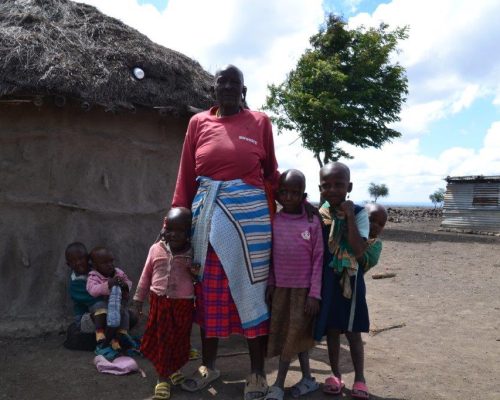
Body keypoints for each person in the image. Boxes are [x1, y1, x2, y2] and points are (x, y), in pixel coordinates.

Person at [172, 64, 280, 400]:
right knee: (212, 294)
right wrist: (175, 221)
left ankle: (258, 373)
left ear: (243, 89)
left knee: (252, 292)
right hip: (207, 220)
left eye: (236, 82)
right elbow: (186, 176)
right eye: (223, 81)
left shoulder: (260, 122)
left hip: (252, 223)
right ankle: (209, 366)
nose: (229, 86)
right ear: (214, 88)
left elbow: (271, 173)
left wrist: (287, 214)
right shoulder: (198, 123)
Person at [313, 162, 371, 400]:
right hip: (327, 281)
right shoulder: (320, 215)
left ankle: (360, 378)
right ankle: (335, 374)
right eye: (327, 185)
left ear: (349, 186)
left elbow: (359, 250)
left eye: (339, 184)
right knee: (333, 330)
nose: (333, 189)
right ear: (320, 188)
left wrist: (348, 218)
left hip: (351, 282)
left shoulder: (359, 213)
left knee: (353, 331)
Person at [265, 170, 323, 400]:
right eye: (285, 192)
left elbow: (318, 259)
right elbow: (271, 255)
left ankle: (278, 384)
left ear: (303, 196)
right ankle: (308, 378)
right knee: (294, 336)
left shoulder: (312, 222)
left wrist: (315, 294)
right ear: (278, 194)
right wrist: (270, 282)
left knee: (292, 338)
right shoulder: (275, 220)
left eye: (295, 193)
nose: (289, 197)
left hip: (304, 292)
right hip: (281, 290)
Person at [133, 207, 196, 400]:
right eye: (170, 229)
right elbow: (146, 276)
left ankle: (173, 369)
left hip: (183, 304)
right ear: (164, 228)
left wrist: (195, 272)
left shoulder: (193, 252)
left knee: (179, 340)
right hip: (159, 302)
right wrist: (138, 299)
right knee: (163, 340)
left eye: (180, 230)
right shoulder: (156, 249)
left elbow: (199, 279)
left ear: (189, 232)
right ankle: (162, 379)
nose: (173, 234)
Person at [86, 246, 133, 358]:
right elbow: (92, 290)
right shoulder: (93, 276)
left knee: (125, 314)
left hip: (117, 308)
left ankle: (119, 338)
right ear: (95, 266)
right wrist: (108, 284)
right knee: (100, 307)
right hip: (101, 308)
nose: (110, 264)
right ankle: (100, 335)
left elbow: (128, 282)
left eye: (111, 261)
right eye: (105, 263)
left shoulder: (118, 272)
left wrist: (125, 286)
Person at [63, 242, 101, 351]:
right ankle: (104, 341)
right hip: (85, 319)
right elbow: (94, 298)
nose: (78, 263)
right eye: (73, 261)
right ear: (68, 264)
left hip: (100, 309)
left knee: (128, 315)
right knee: (101, 308)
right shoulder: (76, 284)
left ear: (88, 258)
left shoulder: (93, 270)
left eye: (81, 258)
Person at [358, 203, 387, 274]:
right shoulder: (352, 230)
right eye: (371, 220)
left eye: (381, 224)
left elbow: (370, 260)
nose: (375, 225)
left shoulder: (376, 244)